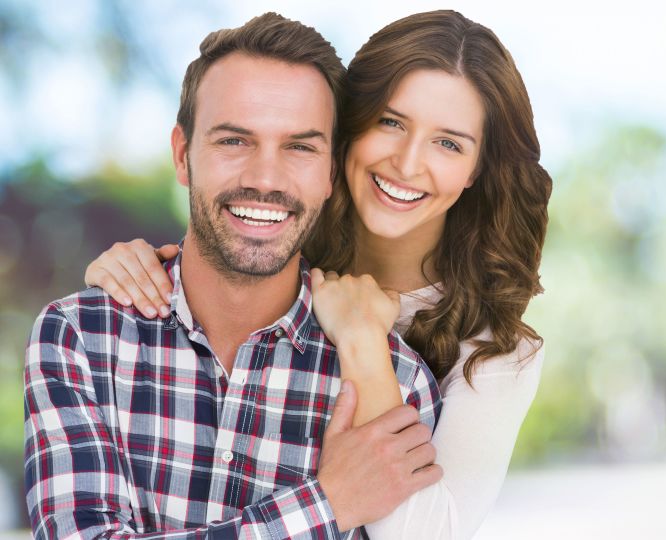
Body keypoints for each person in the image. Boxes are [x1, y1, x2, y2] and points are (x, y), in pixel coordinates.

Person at [84, 9, 552, 540]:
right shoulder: (275, 235)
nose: (406, 162)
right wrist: (134, 268)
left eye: (449, 143)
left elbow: (425, 534)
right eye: (391, 122)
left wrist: (363, 343)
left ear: (476, 170)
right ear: (344, 131)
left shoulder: (494, 357)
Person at [24, 13, 443, 539]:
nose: (265, 178)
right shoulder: (80, 338)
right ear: (183, 154)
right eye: (234, 141)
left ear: (331, 172)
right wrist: (328, 504)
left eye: (299, 147)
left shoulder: (394, 383)